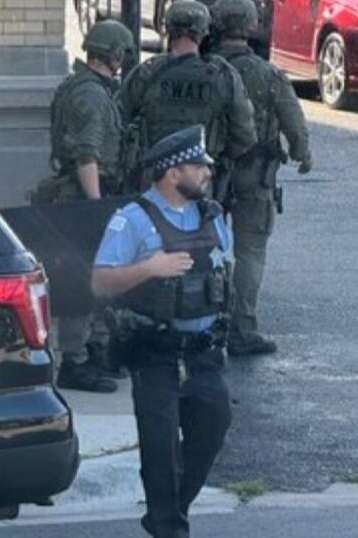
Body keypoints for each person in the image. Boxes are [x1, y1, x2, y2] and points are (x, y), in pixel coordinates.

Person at [92, 125, 232, 538]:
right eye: (199, 166)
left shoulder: (213, 215)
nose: (208, 172)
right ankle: (170, 526)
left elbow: (225, 270)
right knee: (159, 450)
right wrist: (149, 269)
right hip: (155, 352)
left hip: (203, 351)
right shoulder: (132, 220)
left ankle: (167, 511)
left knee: (214, 425)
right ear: (173, 173)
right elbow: (100, 282)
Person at [33, 20, 136, 393]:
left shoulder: (83, 88)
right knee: (82, 281)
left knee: (91, 277)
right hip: (85, 193)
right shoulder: (92, 95)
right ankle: (74, 361)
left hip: (83, 191)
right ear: (113, 53)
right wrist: (96, 207)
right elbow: (86, 155)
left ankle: (92, 352)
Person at [210, 0, 312, 356]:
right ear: (251, 27)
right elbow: (293, 121)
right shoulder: (268, 74)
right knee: (250, 250)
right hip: (256, 176)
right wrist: (303, 153)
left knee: (204, 248)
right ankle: (243, 328)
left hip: (208, 174)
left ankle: (206, 320)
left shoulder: (208, 70)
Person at [117, 0, 256, 198]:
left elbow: (117, 119)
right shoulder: (223, 75)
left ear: (168, 29)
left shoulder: (147, 72)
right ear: (203, 33)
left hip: (154, 177)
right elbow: (245, 135)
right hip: (200, 179)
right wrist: (216, 157)